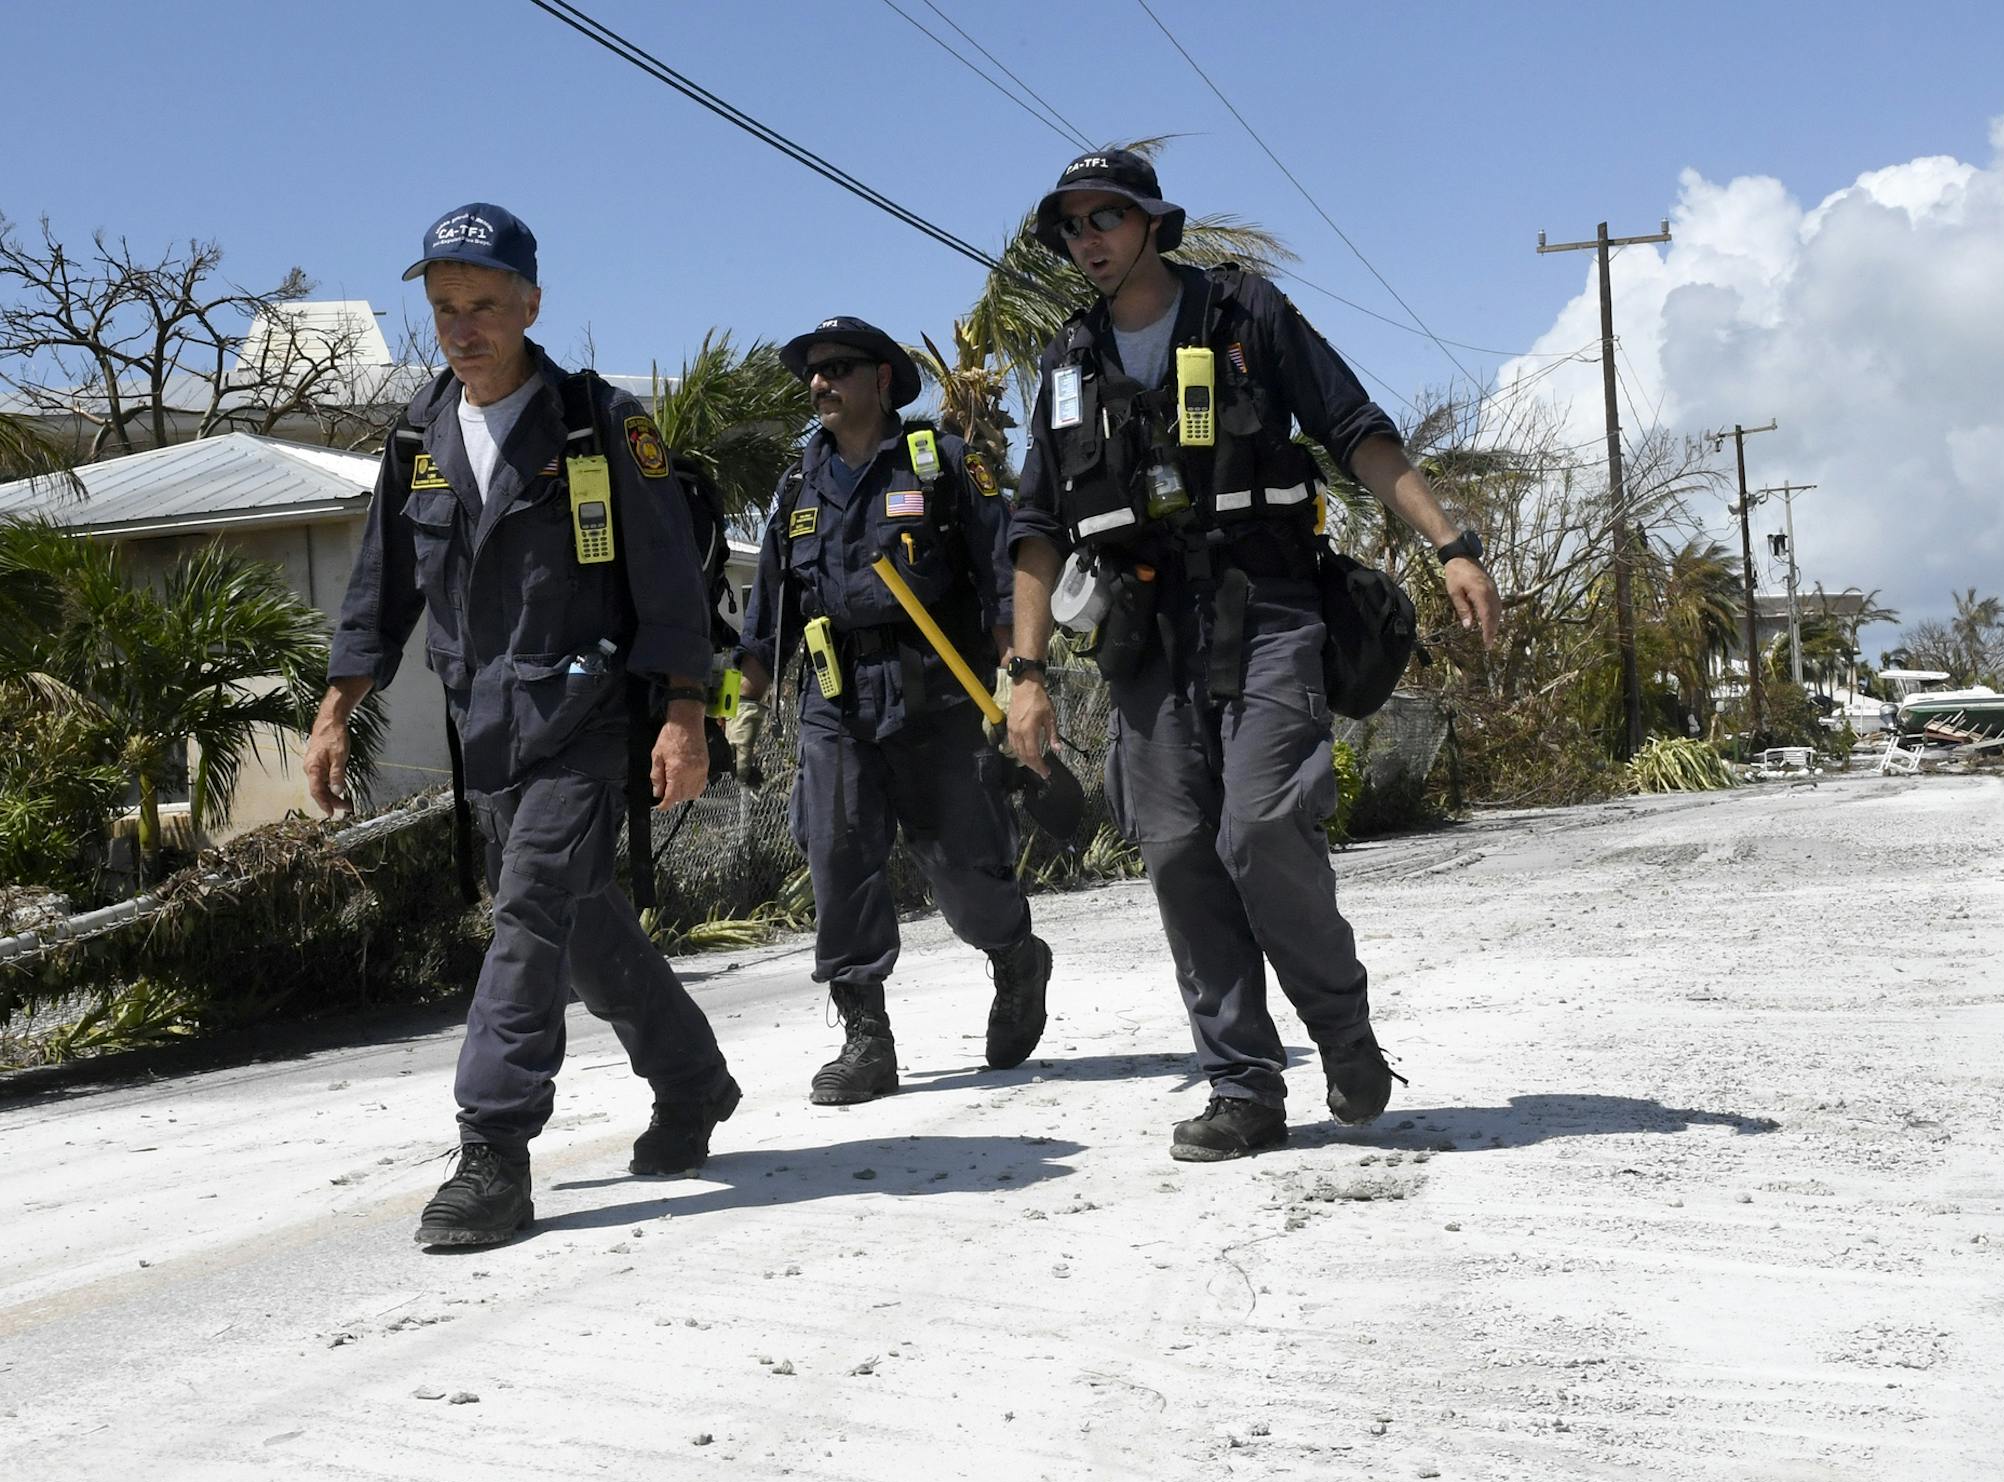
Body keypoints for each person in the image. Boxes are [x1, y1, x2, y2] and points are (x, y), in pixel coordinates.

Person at [1003, 151, 1502, 1162]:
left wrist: (1450, 545)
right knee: (1180, 847)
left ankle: (1342, 1028)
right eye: (1071, 225)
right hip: (1144, 636)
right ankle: (1243, 1083)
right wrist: (1026, 673)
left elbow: (1356, 430)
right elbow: (1036, 527)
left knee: (1263, 823)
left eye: (1107, 216)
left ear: (1152, 223)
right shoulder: (1066, 364)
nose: (1087, 237)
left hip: (1264, 601)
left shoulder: (1244, 315)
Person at [304, 203, 740, 1247]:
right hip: (486, 728)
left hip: (589, 720)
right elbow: (381, 587)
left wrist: (686, 713)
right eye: (445, 306)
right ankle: (693, 1079)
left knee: (531, 908)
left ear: (531, 304)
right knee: (582, 928)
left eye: (485, 304)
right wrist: (333, 712)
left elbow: (671, 582)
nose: (463, 325)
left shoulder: (598, 422)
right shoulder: (420, 433)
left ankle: (493, 1146)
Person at [734, 317, 1053, 1105]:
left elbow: (1001, 581)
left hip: (936, 701)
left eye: (838, 368)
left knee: (966, 876)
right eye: (813, 371)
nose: (820, 383)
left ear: (882, 380)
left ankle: (1016, 956)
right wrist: (739, 710)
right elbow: (764, 614)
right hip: (833, 705)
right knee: (840, 859)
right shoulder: (795, 488)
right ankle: (865, 1036)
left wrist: (1021, 675)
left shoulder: (941, 467)